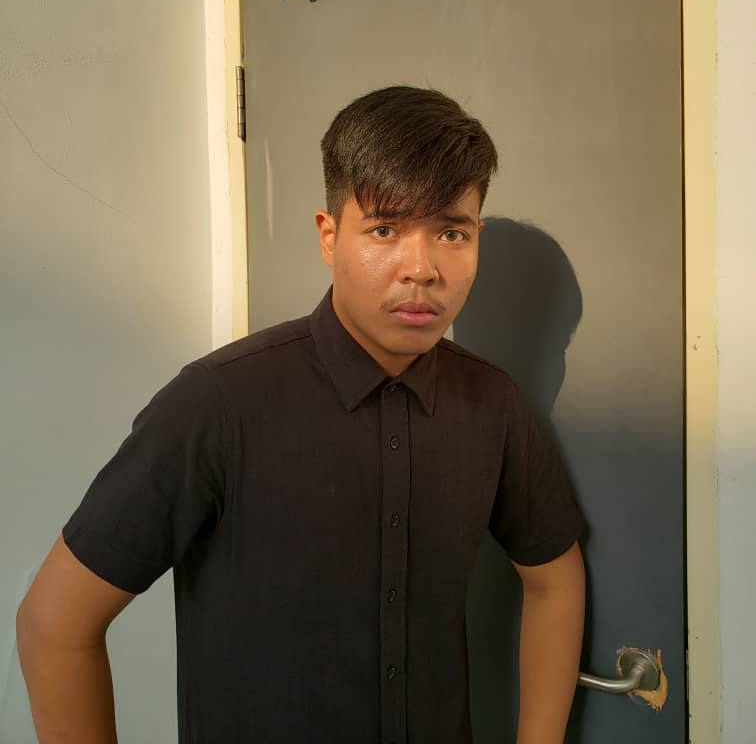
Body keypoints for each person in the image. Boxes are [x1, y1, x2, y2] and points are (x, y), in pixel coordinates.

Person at [17, 85, 585, 744]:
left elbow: (555, 580)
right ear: (329, 235)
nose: (422, 268)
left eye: (451, 233)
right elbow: (54, 625)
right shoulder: (219, 402)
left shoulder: (492, 405)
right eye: (385, 229)